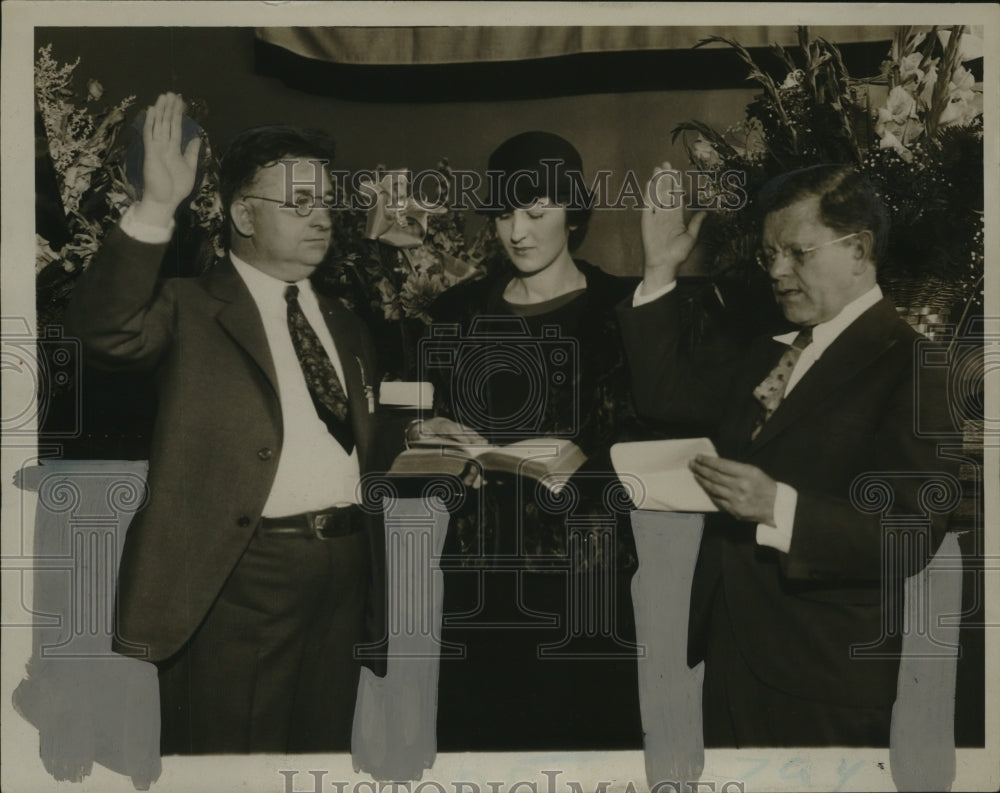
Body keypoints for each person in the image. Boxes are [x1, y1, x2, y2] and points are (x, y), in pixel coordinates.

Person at [65, 93, 386, 754]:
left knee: (319, 761)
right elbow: (105, 331)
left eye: (325, 202)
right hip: (239, 580)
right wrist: (156, 207)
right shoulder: (187, 305)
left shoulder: (350, 324)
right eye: (298, 203)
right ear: (243, 213)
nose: (320, 218)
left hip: (345, 576)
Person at [617, 162, 959, 747]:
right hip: (731, 656)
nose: (778, 272)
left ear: (859, 249)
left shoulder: (914, 366)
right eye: (769, 255)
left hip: (824, 676)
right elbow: (661, 396)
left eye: (797, 253)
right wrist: (658, 268)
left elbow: (910, 530)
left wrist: (778, 507)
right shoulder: (766, 352)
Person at [413, 131, 644, 750]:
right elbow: (408, 414)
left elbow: (659, 429)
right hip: (478, 572)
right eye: (504, 214)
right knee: (479, 755)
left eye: (536, 212)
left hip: (585, 572)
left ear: (573, 214)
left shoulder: (621, 308)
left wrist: (588, 465)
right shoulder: (458, 311)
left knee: (587, 754)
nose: (517, 231)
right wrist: (424, 433)